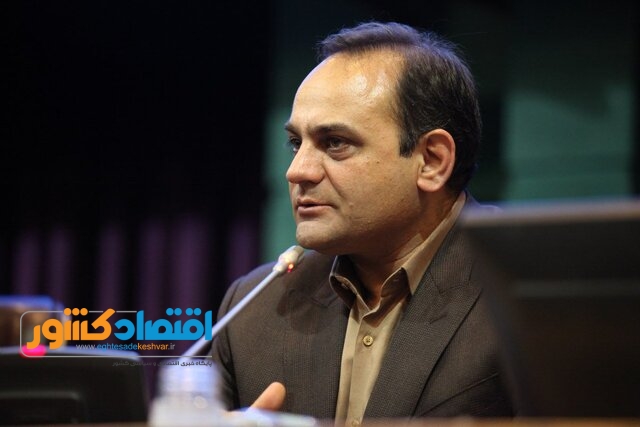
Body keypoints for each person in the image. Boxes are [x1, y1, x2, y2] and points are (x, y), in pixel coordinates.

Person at [208, 21, 514, 423]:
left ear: (432, 161)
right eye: (296, 143)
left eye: (335, 143)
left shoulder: (533, 289)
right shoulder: (254, 307)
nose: (297, 171)